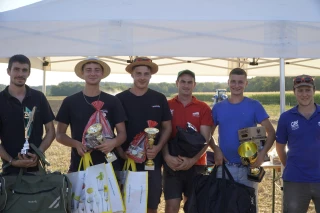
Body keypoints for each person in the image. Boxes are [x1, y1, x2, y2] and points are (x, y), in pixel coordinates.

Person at [211, 68, 275, 205]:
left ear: (246, 84)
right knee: (225, 207)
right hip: (226, 168)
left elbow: (271, 132)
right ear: (228, 82)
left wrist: (262, 154)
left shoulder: (254, 106)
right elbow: (208, 135)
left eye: (240, 82)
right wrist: (216, 149)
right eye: (233, 81)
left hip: (248, 169)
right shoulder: (218, 108)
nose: (236, 85)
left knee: (248, 207)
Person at [115, 57, 172, 213]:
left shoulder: (159, 98)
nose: (142, 77)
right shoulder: (119, 99)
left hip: (152, 161)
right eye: (138, 73)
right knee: (127, 203)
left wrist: (158, 148)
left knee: (151, 204)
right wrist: (121, 152)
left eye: (146, 74)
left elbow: (167, 127)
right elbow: (113, 131)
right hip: (126, 161)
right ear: (132, 75)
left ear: (150, 76)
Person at [55, 57, 127, 172]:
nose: (93, 73)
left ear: (102, 74)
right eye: (88, 70)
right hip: (81, 163)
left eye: (97, 70)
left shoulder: (113, 101)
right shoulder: (70, 102)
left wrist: (113, 143)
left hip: (109, 164)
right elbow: (59, 135)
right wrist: (76, 144)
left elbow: (122, 133)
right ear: (82, 74)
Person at [163, 70, 213, 213]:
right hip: (172, 164)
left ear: (194, 85)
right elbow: (163, 135)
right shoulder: (167, 105)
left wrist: (192, 160)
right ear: (177, 83)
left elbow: (206, 139)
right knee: (171, 208)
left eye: (189, 82)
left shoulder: (203, 107)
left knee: (193, 207)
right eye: (182, 82)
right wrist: (167, 157)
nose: (186, 85)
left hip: (197, 165)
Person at [0, 54, 55, 174]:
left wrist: (38, 153)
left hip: (37, 170)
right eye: (16, 69)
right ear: (9, 71)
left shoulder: (39, 97)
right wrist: (12, 161)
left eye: (24, 70)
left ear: (29, 73)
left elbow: (51, 131)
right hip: (10, 171)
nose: (20, 74)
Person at [276, 74, 320, 213]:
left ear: (314, 90)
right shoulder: (286, 118)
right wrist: (292, 165)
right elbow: (280, 147)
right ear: (294, 92)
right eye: (300, 90)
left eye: (307, 90)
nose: (304, 94)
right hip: (295, 180)